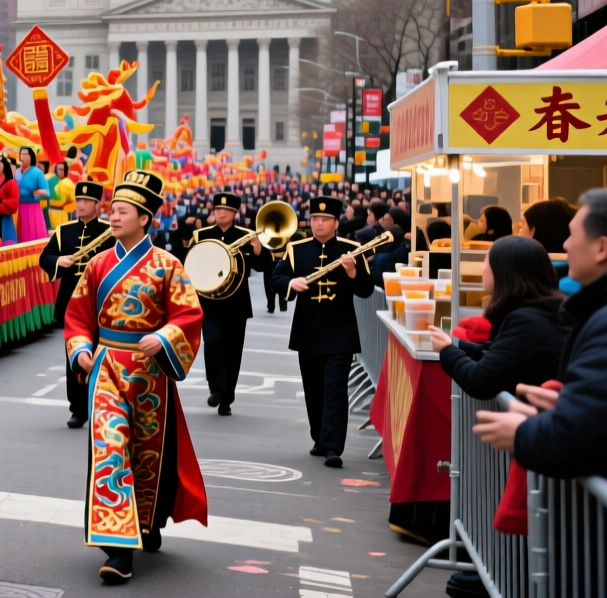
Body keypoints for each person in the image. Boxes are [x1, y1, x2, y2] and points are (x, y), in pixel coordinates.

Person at [63, 170, 206, 584]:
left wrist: (163, 337)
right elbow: (77, 318)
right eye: (112, 210)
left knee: (146, 454)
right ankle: (118, 551)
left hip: (149, 377)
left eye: (121, 211)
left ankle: (147, 521)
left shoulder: (168, 265)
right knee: (111, 447)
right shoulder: (96, 264)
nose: (112, 216)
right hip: (106, 368)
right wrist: (81, 350)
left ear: (144, 218)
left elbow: (189, 315)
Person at [474, 189, 607, 479]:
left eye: (573, 235)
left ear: (601, 248)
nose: (565, 245)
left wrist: (524, 433)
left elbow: (584, 436)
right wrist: (566, 407)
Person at [269, 195, 374, 469]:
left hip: (340, 330)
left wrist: (352, 272)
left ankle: (333, 447)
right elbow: (276, 278)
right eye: (315, 218)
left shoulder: (352, 249)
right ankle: (319, 437)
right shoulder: (297, 249)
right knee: (314, 390)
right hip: (307, 331)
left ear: (336, 222)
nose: (318, 223)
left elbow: (366, 289)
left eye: (325, 219)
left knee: (336, 389)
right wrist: (292, 282)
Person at [430, 235, 565, 397]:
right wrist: (457, 345)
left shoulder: (527, 321)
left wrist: (447, 350)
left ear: (503, 270)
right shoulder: (546, 312)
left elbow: (479, 381)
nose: (482, 268)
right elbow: (500, 353)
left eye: (486, 261)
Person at [189, 192, 272, 417]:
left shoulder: (247, 236)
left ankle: (227, 398)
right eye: (217, 209)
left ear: (235, 213)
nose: (220, 213)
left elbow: (264, 265)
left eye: (225, 210)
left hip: (236, 304)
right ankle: (215, 386)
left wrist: (257, 249)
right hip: (209, 303)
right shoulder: (201, 235)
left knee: (233, 353)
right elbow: (189, 264)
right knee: (213, 342)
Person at [40, 182, 109, 429]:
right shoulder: (64, 231)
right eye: (78, 200)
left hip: (102, 304)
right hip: (72, 304)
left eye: (86, 201)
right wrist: (60, 260)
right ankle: (78, 409)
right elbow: (44, 258)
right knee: (75, 356)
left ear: (97, 204)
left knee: (102, 357)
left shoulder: (111, 232)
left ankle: (101, 405)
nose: (80, 205)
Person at [15, 146, 51, 243]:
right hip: (18, 209)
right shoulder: (16, 172)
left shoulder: (37, 172)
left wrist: (38, 193)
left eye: (25, 154)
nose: (22, 156)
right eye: (21, 154)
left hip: (33, 209)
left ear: (31, 157)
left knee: (32, 237)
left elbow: (47, 193)